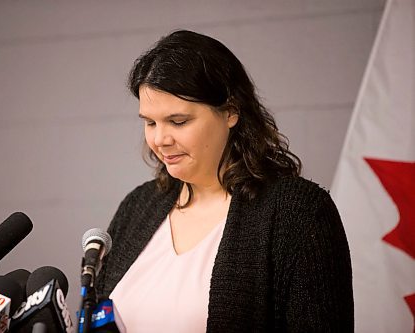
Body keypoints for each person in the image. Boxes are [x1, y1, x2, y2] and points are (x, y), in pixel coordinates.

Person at [95, 30, 354, 332]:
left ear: (230, 112)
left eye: (178, 121)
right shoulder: (137, 206)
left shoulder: (298, 212)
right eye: (150, 123)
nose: (160, 139)